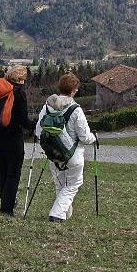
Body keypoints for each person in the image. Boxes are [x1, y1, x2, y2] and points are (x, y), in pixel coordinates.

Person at [35, 73, 96, 223]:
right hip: (72, 155)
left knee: (61, 185)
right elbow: (84, 137)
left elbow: (38, 131)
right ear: (74, 90)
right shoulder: (76, 110)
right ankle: (57, 214)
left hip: (53, 153)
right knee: (73, 184)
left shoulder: (47, 107)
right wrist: (94, 137)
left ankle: (64, 214)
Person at [0, 66, 36, 216]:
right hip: (12, 139)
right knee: (13, 174)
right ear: (22, 79)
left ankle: (5, 202)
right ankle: (7, 209)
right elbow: (23, 120)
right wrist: (36, 125)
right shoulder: (19, 93)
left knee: (2, 171)